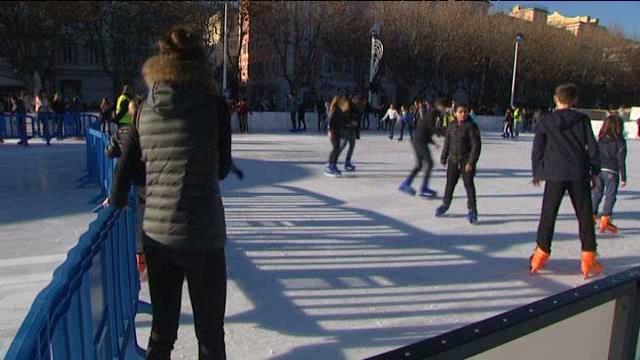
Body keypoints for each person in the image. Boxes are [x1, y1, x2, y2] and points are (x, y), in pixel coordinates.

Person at [106, 26, 231, 359]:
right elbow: (222, 169)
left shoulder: (145, 110)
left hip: (158, 237)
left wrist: (116, 201)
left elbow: (125, 171)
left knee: (162, 333)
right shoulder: (215, 106)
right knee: (210, 337)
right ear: (199, 62)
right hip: (203, 236)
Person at [530, 83, 603, 279]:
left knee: (548, 214)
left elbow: (538, 148)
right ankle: (588, 255)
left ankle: (541, 252)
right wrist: (595, 171)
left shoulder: (547, 120)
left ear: (556, 99)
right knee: (585, 215)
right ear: (575, 100)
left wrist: (537, 171)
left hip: (555, 173)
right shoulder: (582, 120)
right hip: (579, 172)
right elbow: (593, 148)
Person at [435, 104, 481, 224]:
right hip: (453, 160)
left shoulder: (472, 126)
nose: (463, 114)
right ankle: (445, 204)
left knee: (469, 185)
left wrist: (471, 162)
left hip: (466, 160)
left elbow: (476, 146)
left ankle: (472, 209)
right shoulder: (451, 125)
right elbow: (447, 143)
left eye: (465, 112)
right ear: (455, 113)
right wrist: (444, 157)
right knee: (450, 184)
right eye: (460, 112)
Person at [592, 115, 627, 234]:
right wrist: (624, 177)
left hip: (598, 170)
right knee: (610, 195)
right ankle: (605, 219)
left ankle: (591, 216)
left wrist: (593, 171)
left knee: (597, 193)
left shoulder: (601, 139)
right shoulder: (620, 142)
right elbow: (621, 160)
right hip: (612, 171)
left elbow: (594, 155)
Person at [399, 101, 438, 197]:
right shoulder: (431, 115)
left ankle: (406, 184)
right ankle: (423, 187)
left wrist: (433, 142)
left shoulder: (430, 115)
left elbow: (426, 130)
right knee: (429, 163)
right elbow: (432, 129)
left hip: (418, 140)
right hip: (419, 141)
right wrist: (446, 132)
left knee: (420, 164)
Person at [325, 96, 358, 177]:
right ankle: (330, 165)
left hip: (338, 131)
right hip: (334, 132)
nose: (345, 103)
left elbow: (343, 121)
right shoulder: (335, 110)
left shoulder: (341, 111)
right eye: (343, 102)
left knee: (337, 148)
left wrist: (350, 123)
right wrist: (330, 131)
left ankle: (333, 165)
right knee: (336, 148)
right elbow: (330, 121)